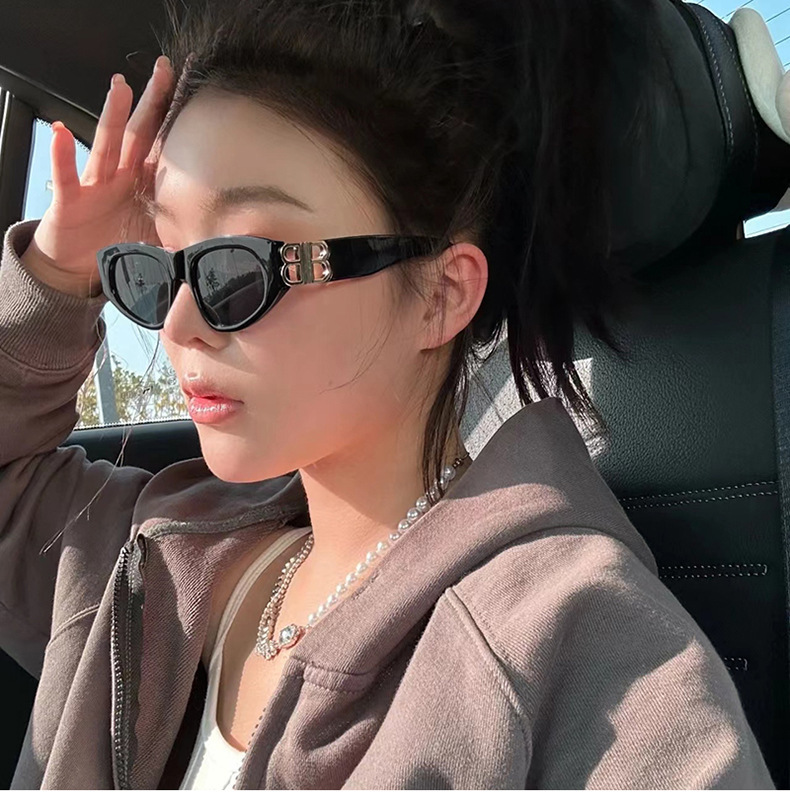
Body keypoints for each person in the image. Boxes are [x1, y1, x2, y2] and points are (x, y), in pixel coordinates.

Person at [0, 0, 776, 790]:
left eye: (239, 267)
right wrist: (58, 273)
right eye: (159, 263)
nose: (177, 324)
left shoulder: (581, 652)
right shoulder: (151, 553)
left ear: (442, 294)